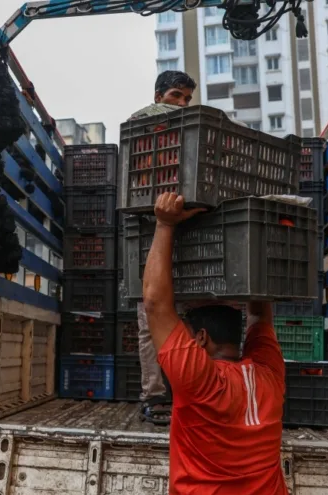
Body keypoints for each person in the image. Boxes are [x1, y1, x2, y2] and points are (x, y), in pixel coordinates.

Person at [142, 191, 295, 495]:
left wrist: (164, 224)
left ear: (201, 338)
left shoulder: (198, 381)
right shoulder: (269, 374)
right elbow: (259, 315)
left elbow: (155, 303)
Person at [127, 70, 198, 424]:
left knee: (190, 320)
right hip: (148, 238)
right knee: (149, 319)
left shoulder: (192, 135)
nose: (182, 104)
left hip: (190, 238)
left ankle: (192, 393)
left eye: (187, 99)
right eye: (175, 96)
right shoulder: (142, 127)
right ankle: (154, 396)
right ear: (158, 97)